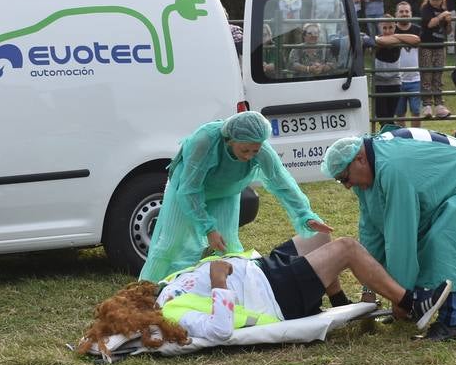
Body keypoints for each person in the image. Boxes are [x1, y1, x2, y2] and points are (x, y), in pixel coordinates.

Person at [77, 230, 445, 359]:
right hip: (272, 294)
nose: (136, 292)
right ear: (137, 312)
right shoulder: (173, 316)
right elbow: (220, 330)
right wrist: (219, 281)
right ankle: (413, 304)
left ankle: (343, 306)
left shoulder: (168, 288)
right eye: (130, 299)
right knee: (347, 248)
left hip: (263, 269)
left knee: (318, 235)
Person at [324, 128, 456, 342]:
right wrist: (368, 289)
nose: (346, 186)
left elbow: (401, 239)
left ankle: (452, 324)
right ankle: (418, 306)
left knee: (444, 239)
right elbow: (372, 232)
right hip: (453, 181)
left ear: (359, 159)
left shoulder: (390, 168)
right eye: (340, 181)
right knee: (428, 234)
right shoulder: (368, 169)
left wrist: (400, 298)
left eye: (344, 178)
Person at [137, 112, 333, 283]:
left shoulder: (261, 151)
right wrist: (208, 228)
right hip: (187, 189)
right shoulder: (204, 141)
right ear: (230, 140)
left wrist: (305, 215)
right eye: (244, 150)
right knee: (170, 244)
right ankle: (147, 292)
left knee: (227, 246)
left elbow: (282, 182)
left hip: (225, 191)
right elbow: (189, 190)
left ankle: (222, 293)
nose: (249, 156)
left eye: (254, 150)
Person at [367, 14, 421, 128]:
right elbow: (380, 41)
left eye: (390, 27)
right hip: (379, 83)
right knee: (383, 118)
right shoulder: (376, 39)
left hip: (394, 82)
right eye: (384, 28)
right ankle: (385, 138)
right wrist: (395, 39)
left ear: (395, 27)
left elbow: (416, 39)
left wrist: (396, 36)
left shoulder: (396, 37)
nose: (387, 30)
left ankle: (389, 138)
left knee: (391, 116)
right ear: (379, 27)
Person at [417, 0, 455, 119]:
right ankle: (426, 105)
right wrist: (442, 16)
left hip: (439, 46)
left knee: (438, 76)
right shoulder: (426, 9)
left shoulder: (444, 10)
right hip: (426, 46)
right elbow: (430, 24)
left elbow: (448, 31)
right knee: (426, 75)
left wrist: (449, 22)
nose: (435, 1)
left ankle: (439, 105)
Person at [390, 2, 423, 126]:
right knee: (400, 113)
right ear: (396, 14)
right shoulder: (392, 29)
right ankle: (402, 141)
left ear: (411, 13)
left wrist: (397, 37)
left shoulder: (417, 29)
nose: (404, 14)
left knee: (416, 112)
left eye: (406, 11)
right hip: (398, 79)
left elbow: (417, 41)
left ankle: (416, 140)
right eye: (401, 12)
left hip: (416, 78)